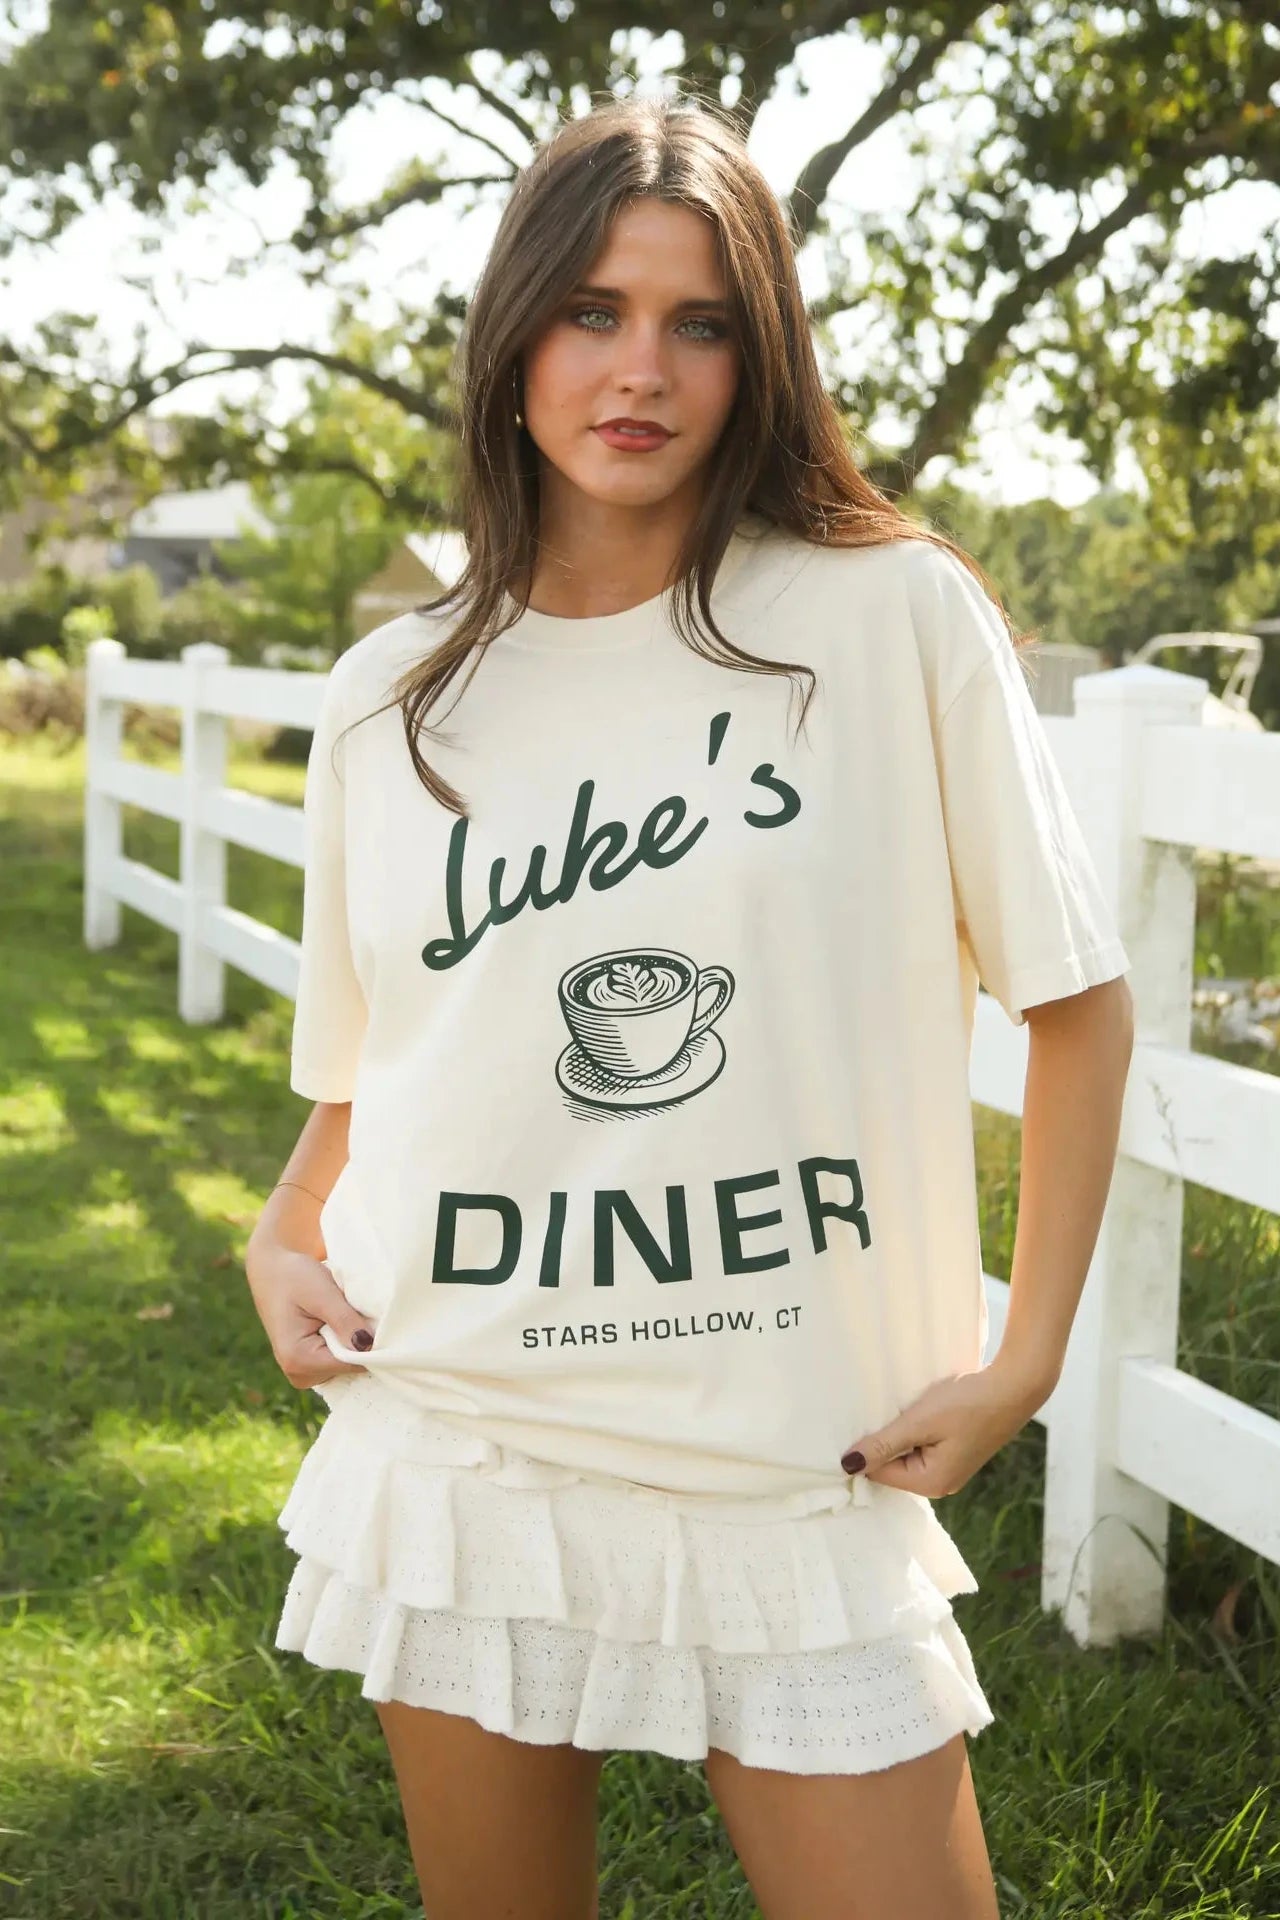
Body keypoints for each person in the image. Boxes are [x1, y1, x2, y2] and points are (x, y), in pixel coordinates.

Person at [245, 91, 1135, 1920]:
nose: (638, 367)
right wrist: (285, 1225)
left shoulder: (889, 621)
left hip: (795, 1451)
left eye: (699, 320)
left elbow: (1076, 1002)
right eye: (590, 310)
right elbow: (381, 1054)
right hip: (466, 1436)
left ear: (759, 357)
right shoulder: (389, 695)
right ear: (511, 345)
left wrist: (1025, 1353)